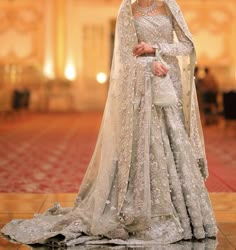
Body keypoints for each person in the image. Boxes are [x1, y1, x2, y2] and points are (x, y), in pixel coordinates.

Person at [1, 0, 218, 247]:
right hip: (142, 89)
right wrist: (149, 63)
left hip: (168, 84)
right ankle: (141, 210)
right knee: (145, 147)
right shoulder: (128, 9)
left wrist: (155, 48)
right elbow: (126, 56)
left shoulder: (169, 5)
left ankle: (183, 213)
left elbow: (188, 46)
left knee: (174, 145)